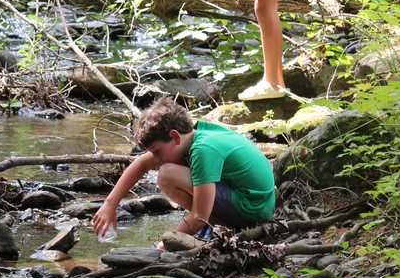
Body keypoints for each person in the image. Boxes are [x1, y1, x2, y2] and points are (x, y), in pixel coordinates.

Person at [92, 98, 276, 242]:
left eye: (157, 151)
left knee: (167, 175)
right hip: (255, 202)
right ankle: (213, 225)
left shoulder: (203, 150)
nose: (155, 159)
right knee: (168, 170)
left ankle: (216, 226)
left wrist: (168, 241)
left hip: (252, 209)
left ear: (174, 136)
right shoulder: (192, 137)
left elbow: (198, 215)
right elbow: (141, 164)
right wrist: (110, 204)